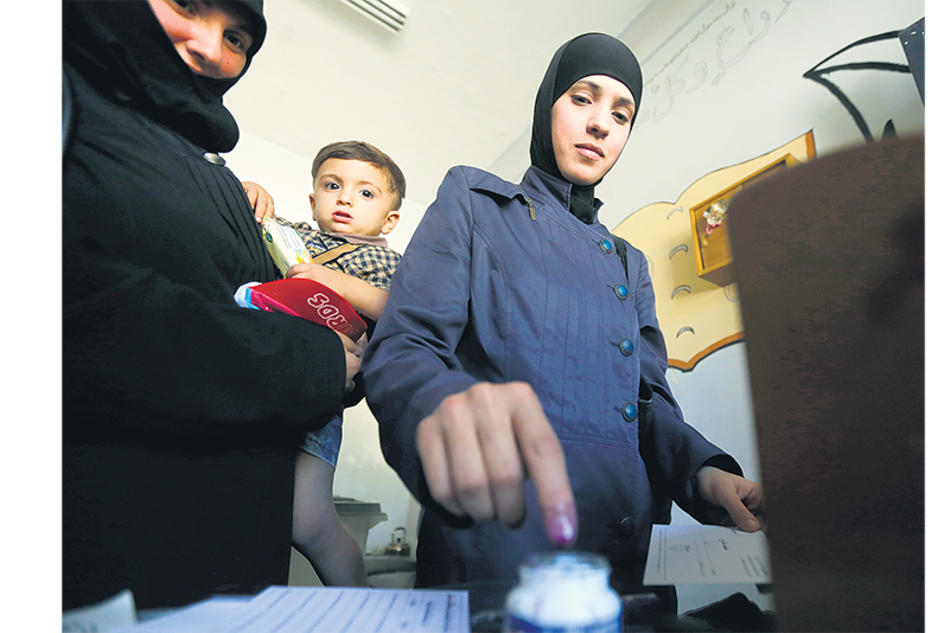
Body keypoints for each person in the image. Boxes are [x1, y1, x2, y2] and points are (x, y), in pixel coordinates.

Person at [361, 33, 764, 596]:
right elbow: (404, 347)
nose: (601, 123)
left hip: (621, 554)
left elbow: (647, 402)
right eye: (582, 98)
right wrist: (453, 424)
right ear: (547, 102)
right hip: (497, 545)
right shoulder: (475, 204)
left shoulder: (630, 263)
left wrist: (704, 474)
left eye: (621, 114)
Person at [60, 0, 362, 611]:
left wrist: (339, 353)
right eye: (187, 5)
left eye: (239, 38)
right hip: (108, 580)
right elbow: (86, 307)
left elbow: (244, 304)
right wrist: (314, 362)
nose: (210, 47)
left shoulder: (211, 166)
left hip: (236, 580)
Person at [244, 141, 405, 586]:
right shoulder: (293, 235)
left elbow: (400, 309)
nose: (346, 198)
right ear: (314, 200)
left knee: (307, 521)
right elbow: (250, 225)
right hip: (264, 377)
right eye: (332, 186)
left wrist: (327, 279)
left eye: (366, 193)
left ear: (390, 220)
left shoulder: (385, 259)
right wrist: (249, 192)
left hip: (323, 395)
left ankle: (360, 605)